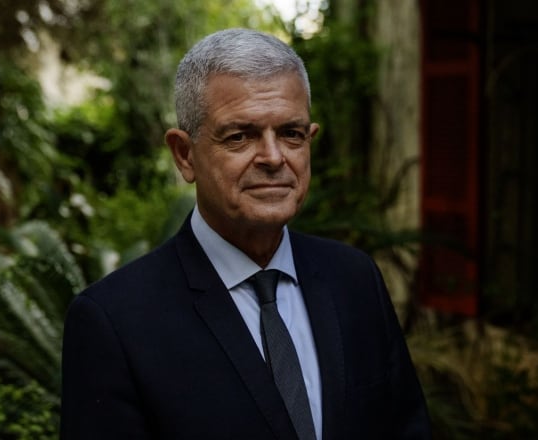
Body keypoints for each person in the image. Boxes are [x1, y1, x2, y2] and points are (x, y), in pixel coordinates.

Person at [60, 28, 431, 439]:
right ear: (184, 155)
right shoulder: (116, 322)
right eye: (240, 136)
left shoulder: (355, 280)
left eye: (291, 133)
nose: (273, 158)